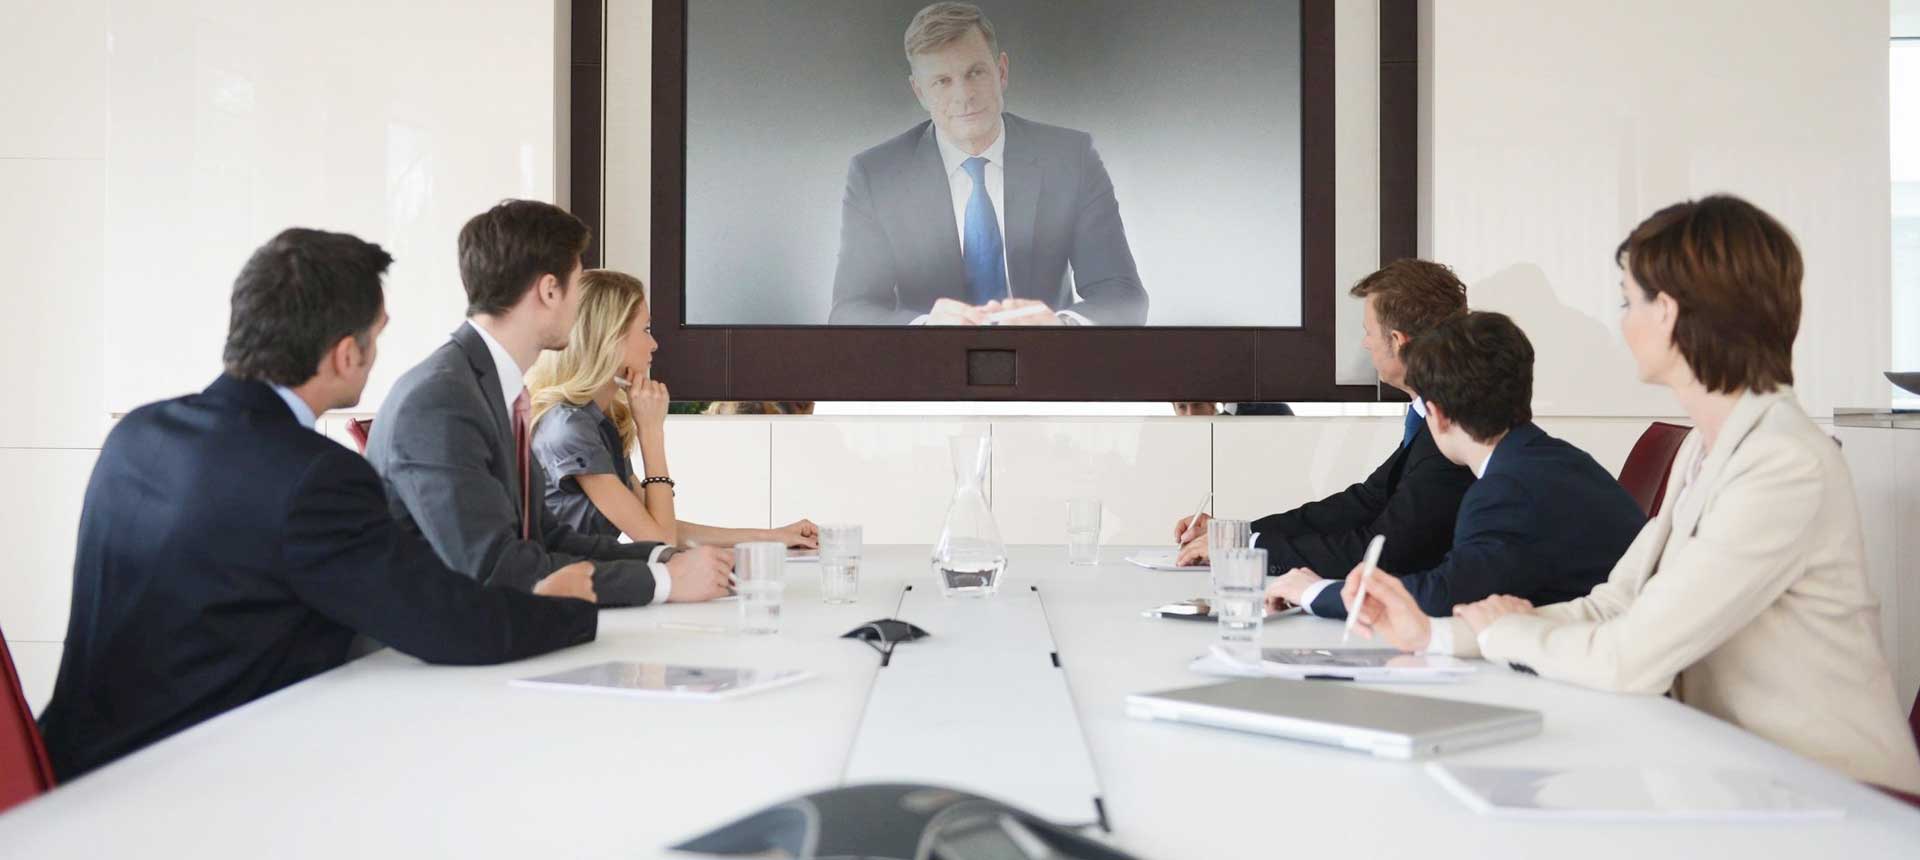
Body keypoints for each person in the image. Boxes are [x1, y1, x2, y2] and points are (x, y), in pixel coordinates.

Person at [1343, 196, 1920, 794]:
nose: (1620, 323)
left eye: (1627, 301)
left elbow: (1630, 656)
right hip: (1744, 779)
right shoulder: (1707, 450)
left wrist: (1501, 632)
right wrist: (1436, 635)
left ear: (1667, 312)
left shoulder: (1783, 463)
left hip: (1841, 799)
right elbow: (1613, 606)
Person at [37, 230, 601, 781]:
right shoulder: (314, 476)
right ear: (346, 354)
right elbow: (443, 623)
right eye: (377, 336)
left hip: (72, 770)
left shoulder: (137, 434)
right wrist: (560, 608)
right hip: (196, 785)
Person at [367, 200, 733, 607]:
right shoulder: (441, 401)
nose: (580, 307)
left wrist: (665, 561)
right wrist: (662, 582)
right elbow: (495, 568)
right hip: (441, 636)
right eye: (577, 285)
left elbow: (548, 539)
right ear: (550, 290)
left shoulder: (488, 387)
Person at [1265, 311, 1644, 618]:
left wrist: (1314, 592)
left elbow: (1443, 597)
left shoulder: (1504, 489)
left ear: (1438, 415)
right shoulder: (1553, 459)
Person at [827, 2, 1147, 326]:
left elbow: (1123, 295)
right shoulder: (875, 176)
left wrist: (1061, 326)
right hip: (930, 356)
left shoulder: (1071, 158)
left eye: (975, 73)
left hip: (1045, 353)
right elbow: (850, 310)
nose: (964, 95)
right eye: (942, 81)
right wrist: (924, 329)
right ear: (919, 92)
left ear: (1001, 71)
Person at [1172, 259, 1475, 579]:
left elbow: (1380, 553)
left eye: (1368, 332)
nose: (1365, 343)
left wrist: (1247, 548)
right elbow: (1360, 505)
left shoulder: (1452, 433)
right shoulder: (1429, 419)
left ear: (1398, 341)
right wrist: (1236, 535)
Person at [527, 270, 821, 547]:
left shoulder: (599, 420)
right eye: (645, 330)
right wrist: (651, 432)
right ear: (609, 338)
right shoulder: (569, 428)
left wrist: (772, 537)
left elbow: (661, 527)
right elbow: (660, 541)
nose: (654, 344)